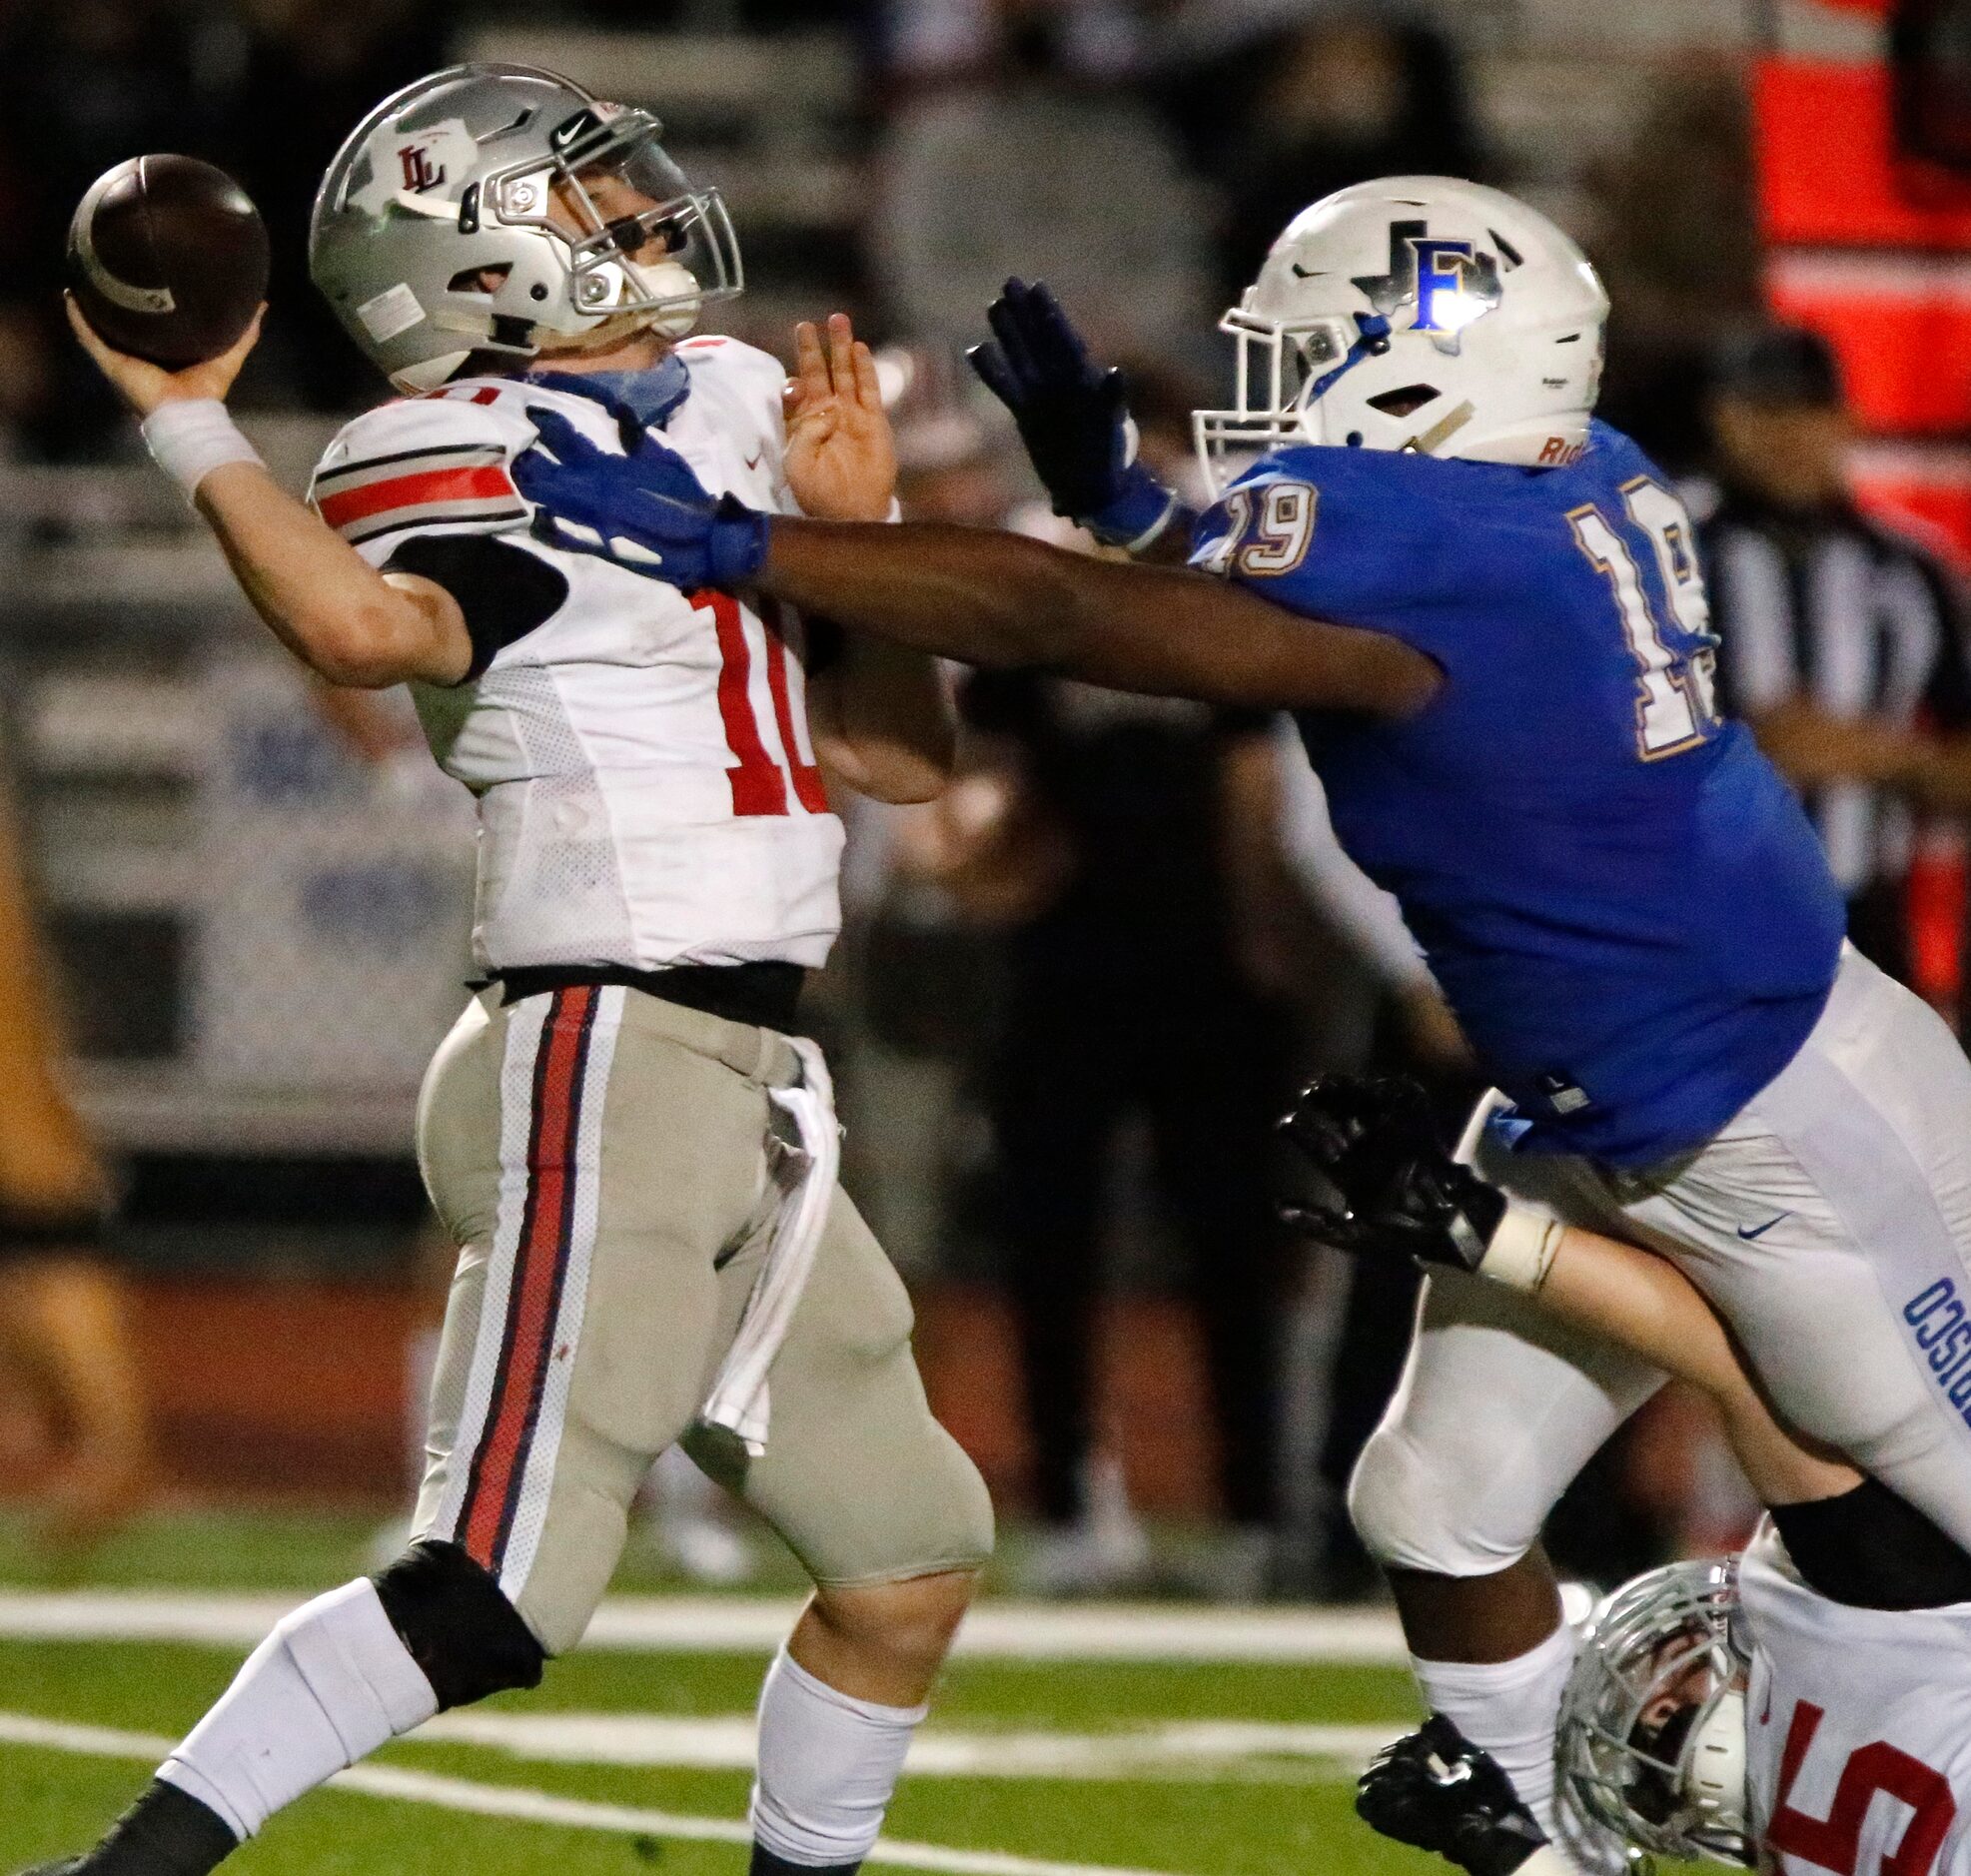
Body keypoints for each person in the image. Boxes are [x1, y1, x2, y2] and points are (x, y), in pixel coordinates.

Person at [501, 173, 1971, 1869]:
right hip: (1634, 1089)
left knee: (1921, 1516)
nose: (1273, 395)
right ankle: (1557, 1854)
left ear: (1428, 376)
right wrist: (1100, 483)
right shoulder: (1552, 482)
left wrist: (762, 549)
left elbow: (1088, 621)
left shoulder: (1449, 547)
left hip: (1782, 1120)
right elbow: (1194, 579)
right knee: (1424, 1502)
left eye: (1318, 351)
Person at [39, 62, 993, 1876]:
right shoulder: (444, 446)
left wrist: (861, 548)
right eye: (590, 197)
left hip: (758, 1086)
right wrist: (190, 428)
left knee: (907, 1556)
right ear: (475, 264)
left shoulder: (729, 396)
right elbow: (362, 622)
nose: (642, 213)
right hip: (602, 1055)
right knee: (489, 1588)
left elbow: (900, 759)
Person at [1280, 1072, 1971, 1876]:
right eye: (1663, 1725)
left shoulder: (1864, 1649)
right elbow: (1746, 1356)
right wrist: (1476, 1231)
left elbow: (1747, 1361)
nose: (1663, 1686)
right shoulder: (1875, 1607)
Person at [1697, 325, 1971, 1000]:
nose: (1784, 435)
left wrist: (1878, 756)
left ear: (1845, 419)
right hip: (1692, 918)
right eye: (1761, 412)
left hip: (1866, 922)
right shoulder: (1659, 550)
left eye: (1805, 411)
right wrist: (1735, 752)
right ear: (1721, 420)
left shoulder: (1913, 568)